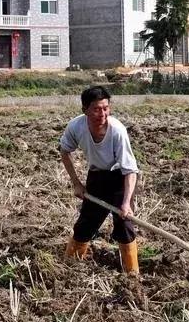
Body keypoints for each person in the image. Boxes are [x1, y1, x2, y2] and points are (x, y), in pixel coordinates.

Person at [60, 86, 139, 273]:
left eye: (105, 108)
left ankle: (132, 273)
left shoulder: (117, 131)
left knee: (124, 226)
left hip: (120, 179)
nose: (102, 113)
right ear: (85, 110)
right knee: (85, 224)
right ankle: (69, 266)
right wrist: (77, 184)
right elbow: (65, 151)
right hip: (96, 177)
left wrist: (126, 203)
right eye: (96, 109)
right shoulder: (76, 127)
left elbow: (130, 170)